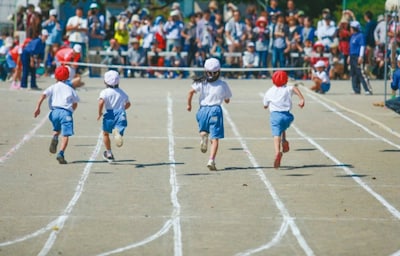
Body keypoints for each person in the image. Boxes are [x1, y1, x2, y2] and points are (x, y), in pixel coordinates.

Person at [186, 57, 232, 171]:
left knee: (204, 130)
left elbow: (190, 92)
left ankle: (203, 136)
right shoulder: (222, 84)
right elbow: (227, 99)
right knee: (215, 138)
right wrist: (224, 99)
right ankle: (211, 159)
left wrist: (189, 104)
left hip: (202, 111)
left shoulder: (200, 82)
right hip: (215, 110)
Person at [33, 66, 80, 164]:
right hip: (66, 112)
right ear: (68, 77)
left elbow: (43, 95)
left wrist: (38, 107)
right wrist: (71, 111)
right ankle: (61, 153)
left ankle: (55, 137)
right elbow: (75, 103)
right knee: (66, 134)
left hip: (54, 112)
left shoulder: (53, 87)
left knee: (57, 129)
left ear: (55, 76)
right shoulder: (70, 89)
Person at [262, 70, 305, 169]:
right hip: (287, 117)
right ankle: (284, 140)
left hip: (275, 116)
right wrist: (301, 99)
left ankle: (277, 152)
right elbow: (294, 88)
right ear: (286, 80)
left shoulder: (269, 91)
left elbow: (265, 105)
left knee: (276, 134)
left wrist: (267, 105)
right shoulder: (287, 89)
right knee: (282, 127)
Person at [97, 70, 131, 163]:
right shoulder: (122, 92)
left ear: (105, 81)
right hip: (120, 113)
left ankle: (109, 153)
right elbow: (128, 104)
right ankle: (118, 133)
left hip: (109, 113)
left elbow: (101, 102)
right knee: (119, 128)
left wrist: (100, 112)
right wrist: (123, 108)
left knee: (105, 133)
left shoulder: (105, 92)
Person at [348, 20, 373, 95]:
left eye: (351, 28)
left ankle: (367, 89)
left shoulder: (360, 36)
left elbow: (362, 46)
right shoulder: (352, 36)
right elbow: (351, 47)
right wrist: (349, 56)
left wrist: (361, 56)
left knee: (361, 73)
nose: (350, 29)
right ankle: (356, 89)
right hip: (352, 56)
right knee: (354, 73)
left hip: (357, 56)